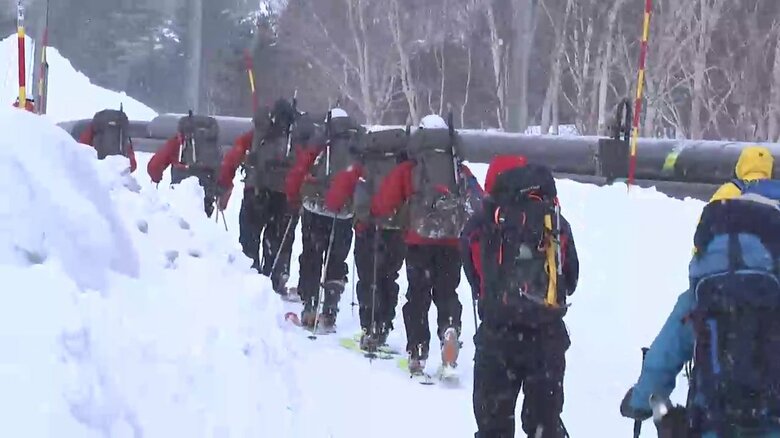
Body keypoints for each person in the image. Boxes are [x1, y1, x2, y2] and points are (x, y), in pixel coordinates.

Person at [620, 194, 780, 437]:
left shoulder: (698, 299)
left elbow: (663, 356)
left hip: (713, 424)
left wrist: (641, 401)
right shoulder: (773, 295)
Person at [461, 158, 579, 438]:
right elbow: (571, 280)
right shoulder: (555, 220)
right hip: (547, 338)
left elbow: (475, 275)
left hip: (497, 338)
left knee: (494, 427)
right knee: (544, 425)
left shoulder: (483, 221)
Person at [371, 114, 482, 374]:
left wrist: (382, 214)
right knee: (447, 293)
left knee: (417, 295)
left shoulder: (411, 167)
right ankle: (449, 328)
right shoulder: (457, 168)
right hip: (452, 242)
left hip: (418, 241)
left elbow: (384, 202)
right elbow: (479, 200)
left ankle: (418, 350)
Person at [324, 128, 409, 350]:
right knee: (389, 277)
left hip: (367, 227)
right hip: (396, 228)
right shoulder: (403, 161)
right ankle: (383, 325)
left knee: (368, 277)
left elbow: (339, 191)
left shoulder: (363, 161)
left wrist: (335, 203)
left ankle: (370, 326)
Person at [285, 108, 363, 331]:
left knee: (312, 256)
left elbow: (302, 166)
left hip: (315, 207)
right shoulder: (357, 143)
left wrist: (293, 195)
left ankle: (309, 307)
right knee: (336, 260)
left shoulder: (322, 138)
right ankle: (329, 312)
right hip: (344, 211)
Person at [217, 99, 298, 297]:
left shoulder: (257, 135)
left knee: (250, 239)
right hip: (282, 197)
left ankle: (249, 280)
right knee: (276, 241)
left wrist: (224, 185)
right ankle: (274, 283)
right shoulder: (294, 141)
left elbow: (232, 157)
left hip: (255, 191)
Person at [147, 112, 222, 217]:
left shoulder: (178, 141)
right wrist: (220, 193)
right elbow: (222, 169)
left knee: (180, 224)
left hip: (180, 190)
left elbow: (154, 166)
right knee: (203, 223)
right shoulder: (212, 143)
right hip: (206, 188)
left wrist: (156, 179)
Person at [710, 146, 780, 201]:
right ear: (771, 166)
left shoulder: (730, 189)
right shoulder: (777, 190)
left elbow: (707, 216)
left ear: (740, 164)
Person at [78, 108, 138, 173]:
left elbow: (82, 149)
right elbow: (133, 165)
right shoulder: (122, 133)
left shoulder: (94, 127)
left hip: (97, 172)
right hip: (118, 175)